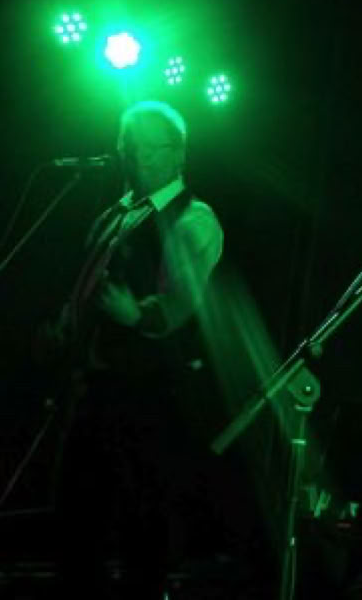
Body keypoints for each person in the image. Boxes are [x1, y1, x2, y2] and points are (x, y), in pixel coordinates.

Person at [51, 100, 224, 598]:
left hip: (149, 394)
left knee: (141, 527)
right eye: (130, 146)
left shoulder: (194, 217)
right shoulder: (117, 212)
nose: (137, 157)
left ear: (178, 153)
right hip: (96, 384)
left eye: (151, 148)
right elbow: (86, 286)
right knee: (75, 518)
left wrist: (141, 314)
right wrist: (67, 325)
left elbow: (184, 295)